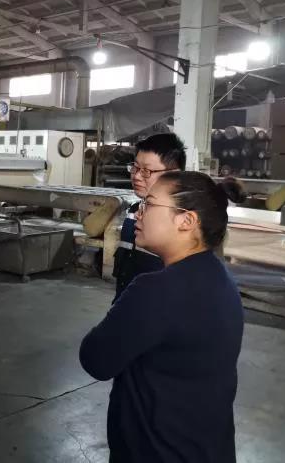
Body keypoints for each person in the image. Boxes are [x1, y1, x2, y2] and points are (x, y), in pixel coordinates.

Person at [79, 172, 246, 463]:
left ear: (186, 221)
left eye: (149, 204)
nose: (138, 212)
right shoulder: (221, 279)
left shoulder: (157, 290)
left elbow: (95, 359)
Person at [113, 133, 186, 301]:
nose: (136, 176)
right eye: (135, 167)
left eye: (146, 171)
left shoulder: (179, 222)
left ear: (173, 173)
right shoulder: (134, 210)